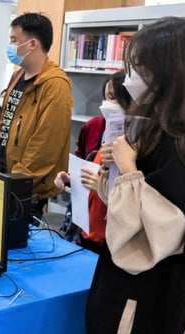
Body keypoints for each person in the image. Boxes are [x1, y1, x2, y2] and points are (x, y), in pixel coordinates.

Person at [85, 17, 185, 334]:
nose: (131, 77)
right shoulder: (172, 129)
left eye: (140, 67)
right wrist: (116, 169)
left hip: (142, 294)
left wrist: (129, 169)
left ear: (167, 71)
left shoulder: (180, 143)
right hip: (142, 291)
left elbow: (151, 232)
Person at [0, 13, 73, 221]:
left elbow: (46, 145)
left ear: (32, 44)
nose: (10, 45)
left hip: (24, 190)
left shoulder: (55, 85)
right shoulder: (17, 76)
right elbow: (3, 123)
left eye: (14, 40)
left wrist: (13, 182)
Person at [54, 71, 131, 253]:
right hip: (85, 230)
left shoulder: (135, 145)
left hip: (111, 240)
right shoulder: (95, 129)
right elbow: (87, 170)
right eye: (105, 98)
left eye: (113, 97)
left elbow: (132, 198)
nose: (107, 104)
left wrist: (101, 187)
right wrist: (70, 179)